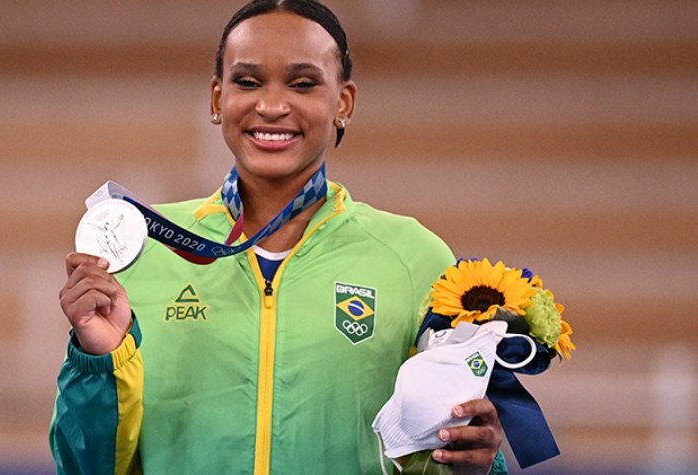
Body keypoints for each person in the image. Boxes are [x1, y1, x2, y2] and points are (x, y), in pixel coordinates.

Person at [50, 1, 506, 473]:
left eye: (303, 83)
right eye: (247, 82)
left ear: (343, 102)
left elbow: (445, 451)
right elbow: (84, 467)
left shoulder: (414, 259)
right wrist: (97, 365)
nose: (270, 105)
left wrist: (476, 464)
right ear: (216, 99)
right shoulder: (144, 251)